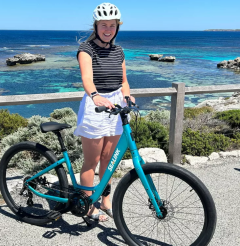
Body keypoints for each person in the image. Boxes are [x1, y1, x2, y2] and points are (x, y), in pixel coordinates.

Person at [74, 2, 135, 222]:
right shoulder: (86, 49)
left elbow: (124, 81)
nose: (107, 29)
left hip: (116, 106)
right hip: (95, 105)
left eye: (112, 25)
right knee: (92, 160)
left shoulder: (119, 51)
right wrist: (95, 95)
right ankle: (87, 203)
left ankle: (105, 199)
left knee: (109, 160)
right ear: (96, 26)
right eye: (103, 25)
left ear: (117, 27)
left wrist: (127, 96)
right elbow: (86, 78)